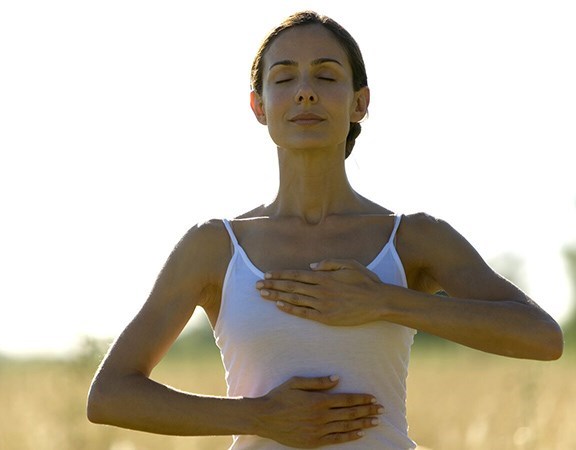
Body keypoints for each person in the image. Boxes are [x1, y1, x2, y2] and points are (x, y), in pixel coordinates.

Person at [86, 11, 563, 449]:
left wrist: (385, 302)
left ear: (360, 102)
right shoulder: (213, 246)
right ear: (259, 105)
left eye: (326, 75)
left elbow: (542, 337)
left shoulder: (416, 238)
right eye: (285, 76)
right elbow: (110, 394)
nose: (305, 91)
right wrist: (261, 416)